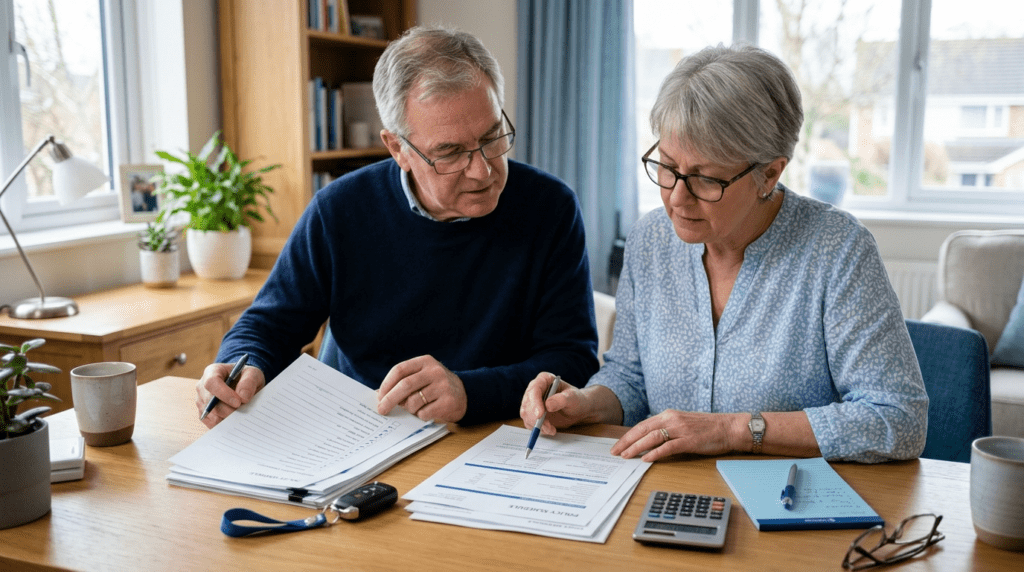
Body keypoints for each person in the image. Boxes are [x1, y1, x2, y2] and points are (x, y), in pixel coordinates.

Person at [520, 44, 928, 464]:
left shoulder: (837, 250)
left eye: (706, 179)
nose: (677, 197)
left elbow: (898, 419)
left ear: (769, 173)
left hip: (787, 504)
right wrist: (586, 402)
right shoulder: (650, 240)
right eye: (667, 165)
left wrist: (733, 430)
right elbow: (631, 376)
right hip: (667, 490)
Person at [197, 26, 599, 427]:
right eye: (450, 152)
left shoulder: (550, 208)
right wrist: (237, 367)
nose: (483, 170)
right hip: (354, 432)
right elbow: (269, 324)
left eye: (493, 136)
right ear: (398, 149)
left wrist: (468, 392)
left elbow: (572, 359)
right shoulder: (339, 209)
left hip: (491, 435)